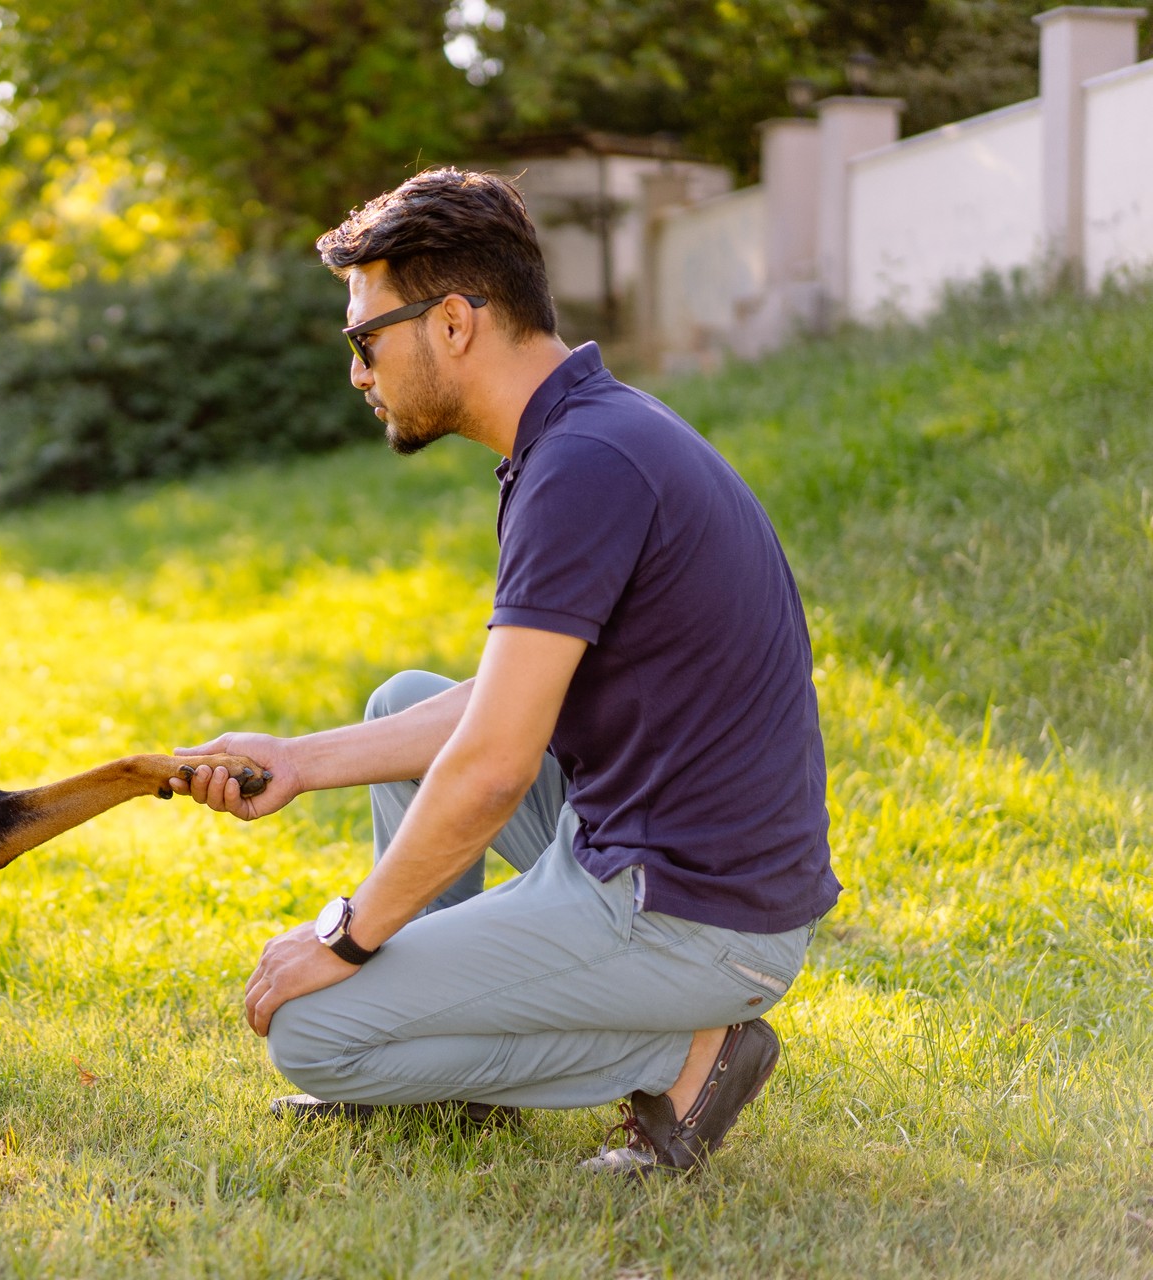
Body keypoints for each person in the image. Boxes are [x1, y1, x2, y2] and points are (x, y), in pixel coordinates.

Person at [168, 167, 840, 1174]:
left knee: (314, 1030)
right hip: (651, 846)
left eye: (365, 339)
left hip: (692, 915)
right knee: (401, 704)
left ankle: (693, 1048)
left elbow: (491, 767)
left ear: (451, 322)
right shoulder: (586, 434)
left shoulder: (583, 466)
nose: (358, 370)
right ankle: (461, 1085)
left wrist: (346, 940)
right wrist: (302, 760)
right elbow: (506, 698)